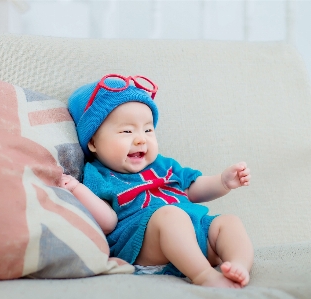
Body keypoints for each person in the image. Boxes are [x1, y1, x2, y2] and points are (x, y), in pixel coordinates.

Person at [59, 74, 253, 288]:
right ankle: (204, 276)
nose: (141, 138)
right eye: (127, 131)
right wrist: (77, 189)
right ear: (93, 142)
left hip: (198, 237)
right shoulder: (98, 175)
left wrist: (223, 182)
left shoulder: (164, 165)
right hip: (146, 244)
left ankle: (239, 265)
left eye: (148, 129)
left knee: (229, 222)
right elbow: (108, 222)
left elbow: (193, 190)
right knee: (169, 216)